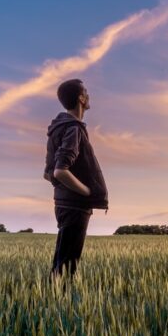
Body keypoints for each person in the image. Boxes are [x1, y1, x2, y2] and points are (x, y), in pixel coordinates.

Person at [44, 78, 108, 278]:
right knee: (67, 266)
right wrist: (87, 191)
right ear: (81, 98)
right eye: (86, 92)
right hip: (75, 205)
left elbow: (48, 173)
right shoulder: (74, 128)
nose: (89, 96)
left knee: (62, 262)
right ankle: (57, 305)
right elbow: (59, 171)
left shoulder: (58, 128)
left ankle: (52, 302)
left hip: (63, 203)